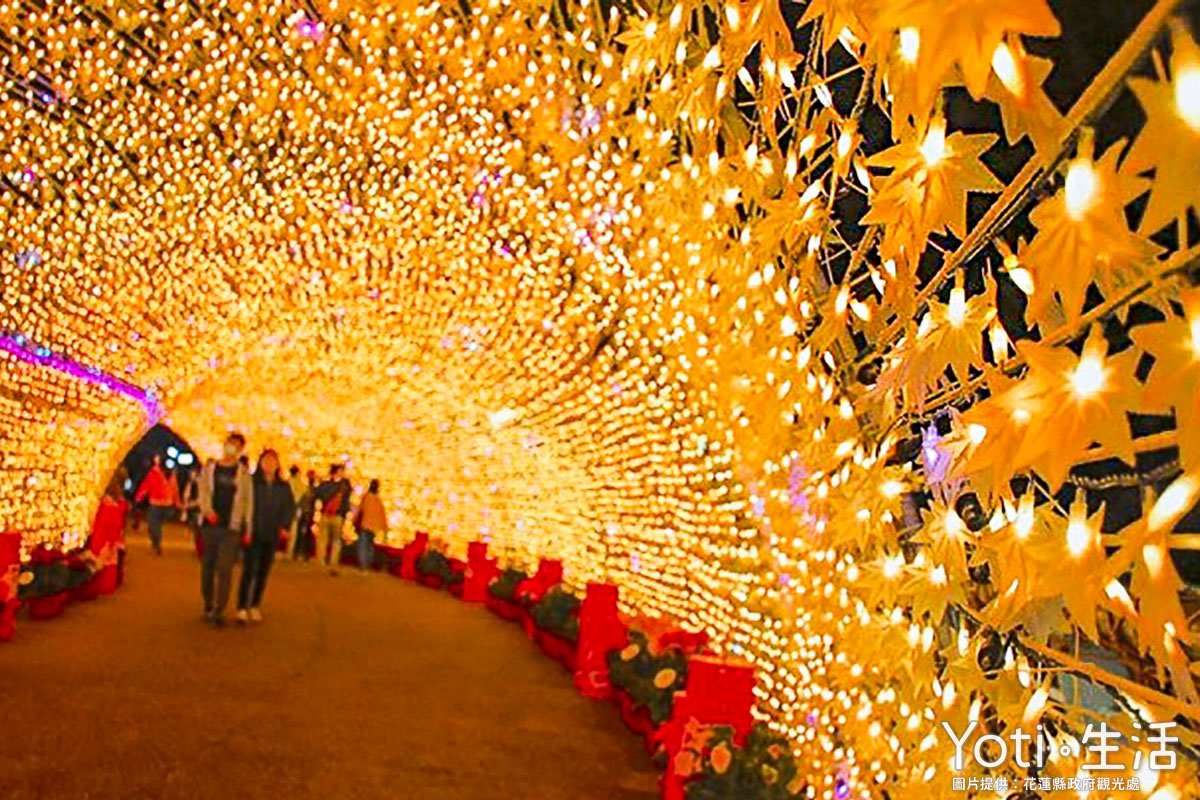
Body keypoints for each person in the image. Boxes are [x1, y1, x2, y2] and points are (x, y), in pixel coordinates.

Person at [197, 432, 253, 626]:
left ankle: (219, 610)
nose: (232, 449)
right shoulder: (210, 468)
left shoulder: (243, 473)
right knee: (208, 567)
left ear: (240, 450)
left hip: (231, 527)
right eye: (230, 444)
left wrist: (248, 529)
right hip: (210, 526)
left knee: (225, 568)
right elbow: (203, 492)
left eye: (236, 446)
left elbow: (248, 502)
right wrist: (207, 511)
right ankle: (208, 603)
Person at [237, 450, 294, 623]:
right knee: (248, 570)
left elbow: (289, 508)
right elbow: (244, 504)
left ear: (277, 465)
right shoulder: (252, 483)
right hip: (253, 532)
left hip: (271, 533)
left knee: (263, 571)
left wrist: (285, 526)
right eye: (266, 461)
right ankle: (241, 606)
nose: (269, 465)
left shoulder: (283, 487)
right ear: (260, 463)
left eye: (272, 462)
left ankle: (255, 605)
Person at [134, 455, 180, 555]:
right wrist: (176, 502)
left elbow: (145, 486)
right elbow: (174, 489)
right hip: (166, 503)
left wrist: (139, 497)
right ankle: (157, 543)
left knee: (154, 525)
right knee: (157, 525)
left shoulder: (153, 474)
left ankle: (156, 543)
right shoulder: (170, 475)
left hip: (155, 503)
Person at [314, 464, 352, 574]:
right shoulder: (344, 487)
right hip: (337, 516)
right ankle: (333, 562)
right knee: (336, 541)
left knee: (322, 539)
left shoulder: (325, 485)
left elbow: (317, 494)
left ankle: (320, 561)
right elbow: (347, 500)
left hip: (325, 514)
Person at [353, 479, 387, 572]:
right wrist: (384, 527)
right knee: (370, 545)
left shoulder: (366, 497)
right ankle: (367, 563)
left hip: (364, 524)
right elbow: (382, 514)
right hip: (374, 526)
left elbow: (359, 510)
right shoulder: (378, 500)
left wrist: (354, 520)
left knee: (363, 544)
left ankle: (363, 564)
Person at [286, 466, 310, 559]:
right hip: (295, 509)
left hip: (289, 509)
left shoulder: (288, 482)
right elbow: (304, 495)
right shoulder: (299, 483)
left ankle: (290, 551)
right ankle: (290, 552)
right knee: (293, 531)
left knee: (291, 531)